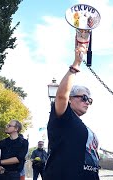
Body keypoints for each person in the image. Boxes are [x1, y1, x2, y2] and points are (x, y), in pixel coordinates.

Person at [44, 43, 100, 180]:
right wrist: (76, 64)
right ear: (70, 99)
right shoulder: (64, 117)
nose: (87, 102)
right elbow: (61, 96)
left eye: (90, 100)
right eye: (84, 98)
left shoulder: (82, 125)